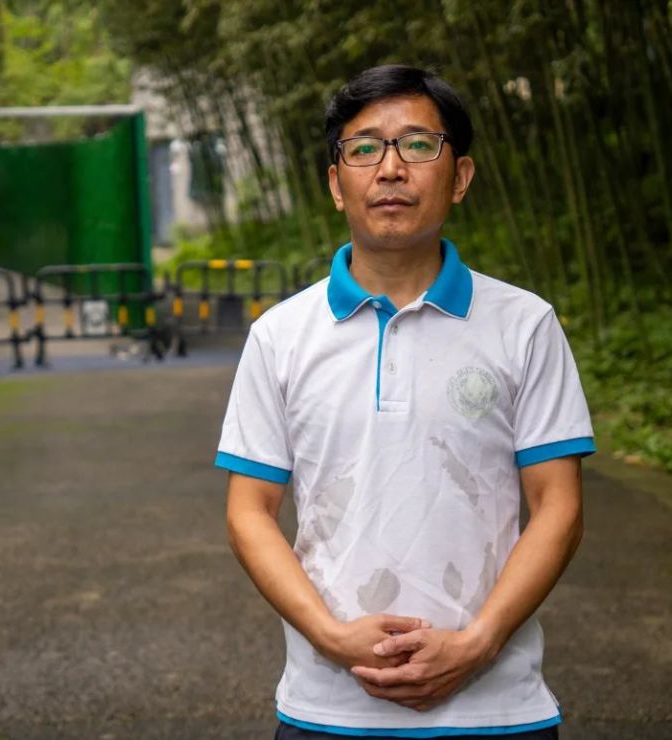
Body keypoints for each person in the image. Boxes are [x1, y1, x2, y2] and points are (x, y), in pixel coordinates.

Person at [216, 65, 595, 739]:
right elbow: (250, 511)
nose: (390, 169)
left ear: (462, 175)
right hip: (326, 709)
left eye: (418, 145)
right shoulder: (280, 336)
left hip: (498, 709)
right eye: (364, 148)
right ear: (336, 183)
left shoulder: (524, 324)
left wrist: (477, 644)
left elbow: (559, 506)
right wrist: (331, 636)